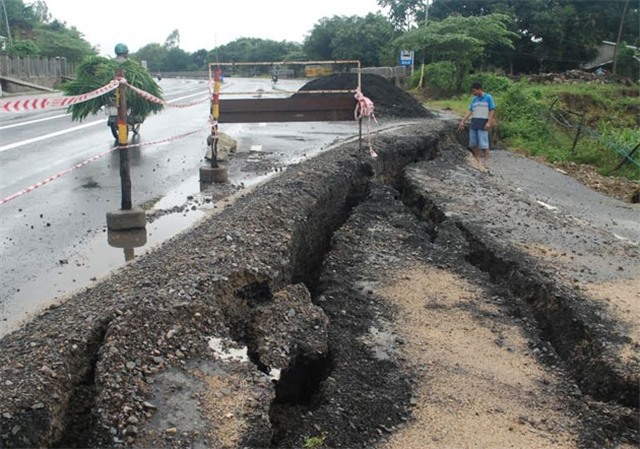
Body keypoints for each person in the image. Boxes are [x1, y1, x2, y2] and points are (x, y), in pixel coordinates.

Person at [458, 82, 496, 171]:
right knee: (474, 143)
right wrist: (462, 121)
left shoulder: (488, 97)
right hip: (474, 123)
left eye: (474, 91)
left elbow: (492, 110)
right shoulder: (474, 99)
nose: (473, 93)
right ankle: (477, 160)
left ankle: (486, 162)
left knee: (484, 144)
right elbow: (470, 111)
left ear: (479, 89)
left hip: (483, 124)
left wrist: (489, 122)